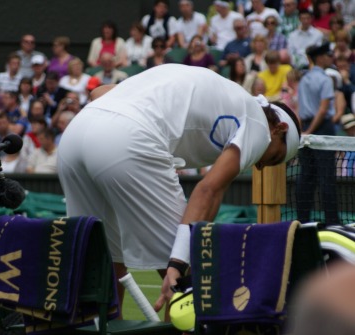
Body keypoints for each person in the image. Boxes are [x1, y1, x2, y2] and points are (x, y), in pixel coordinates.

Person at [57, 64, 301, 315]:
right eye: (273, 159)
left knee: (103, 267)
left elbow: (99, 92)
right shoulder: (259, 125)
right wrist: (178, 263)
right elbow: (209, 191)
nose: (260, 167)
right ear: (278, 129)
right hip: (127, 138)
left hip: (75, 137)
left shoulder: (224, 95)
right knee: (188, 279)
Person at [296, 42, 340, 225]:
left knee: (306, 176)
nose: (330, 58)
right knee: (326, 177)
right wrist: (311, 132)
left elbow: (300, 109)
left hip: (307, 129)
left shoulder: (303, 79)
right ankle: (332, 221)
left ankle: (302, 220)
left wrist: (304, 132)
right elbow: (322, 110)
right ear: (320, 58)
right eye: (327, 55)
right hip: (320, 130)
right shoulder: (325, 79)